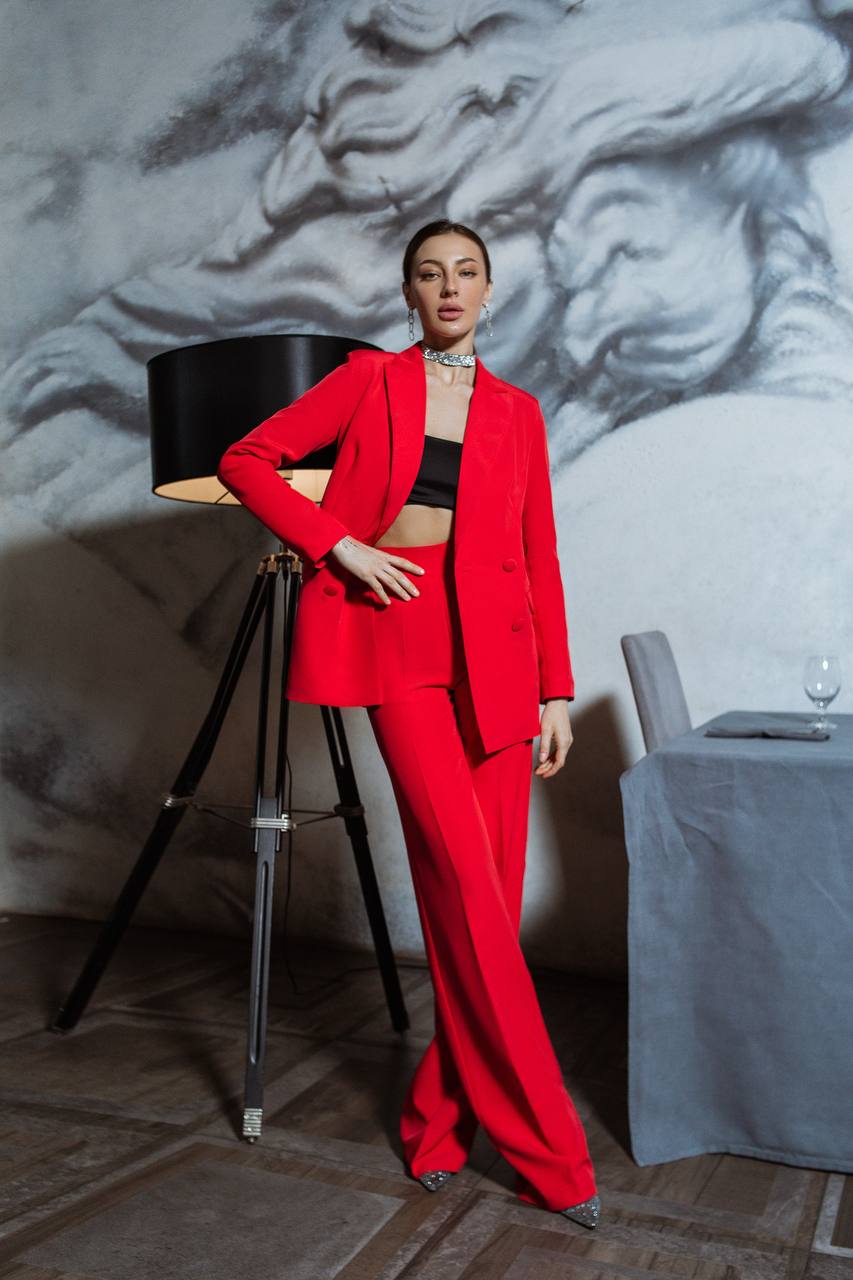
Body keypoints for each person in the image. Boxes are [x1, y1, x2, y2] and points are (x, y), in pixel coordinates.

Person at [216, 219, 600, 1230]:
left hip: (503, 666)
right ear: (406, 291)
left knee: (487, 904)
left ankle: (435, 1122)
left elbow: (540, 552)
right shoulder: (367, 383)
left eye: (465, 272)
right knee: (468, 893)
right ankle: (552, 1151)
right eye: (429, 273)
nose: (448, 287)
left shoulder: (518, 411)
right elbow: (247, 458)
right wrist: (338, 544)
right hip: (398, 641)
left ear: (487, 290)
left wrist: (556, 689)